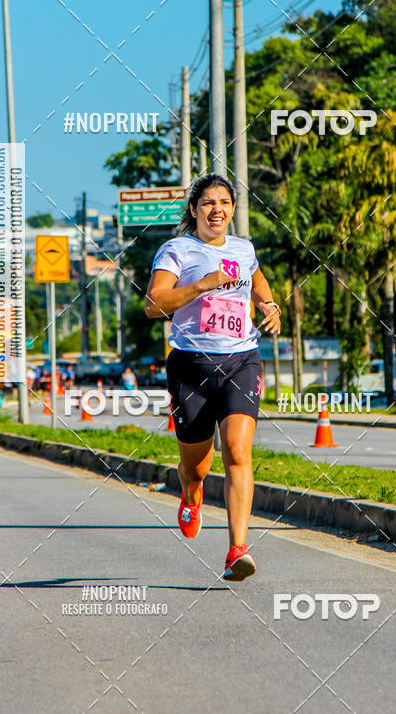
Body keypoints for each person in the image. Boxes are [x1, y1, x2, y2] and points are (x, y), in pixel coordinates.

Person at [145, 174, 281, 581]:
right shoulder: (177, 250)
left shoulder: (243, 248)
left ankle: (237, 548)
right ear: (194, 210)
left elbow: (256, 279)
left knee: (238, 451)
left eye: (224, 202)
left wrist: (269, 304)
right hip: (191, 366)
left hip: (242, 359)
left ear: (233, 209)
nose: (216, 209)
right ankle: (190, 494)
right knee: (196, 466)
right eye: (207, 203)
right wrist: (201, 285)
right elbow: (154, 303)